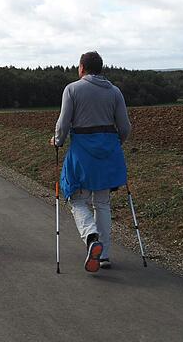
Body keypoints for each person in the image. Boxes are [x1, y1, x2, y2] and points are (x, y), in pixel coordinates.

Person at [50, 51, 131, 272]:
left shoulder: (72, 89)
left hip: (82, 152)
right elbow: (125, 127)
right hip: (109, 151)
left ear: (82, 68)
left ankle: (91, 237)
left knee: (77, 199)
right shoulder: (115, 92)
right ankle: (103, 254)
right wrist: (114, 144)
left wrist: (57, 141)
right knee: (102, 203)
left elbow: (63, 124)